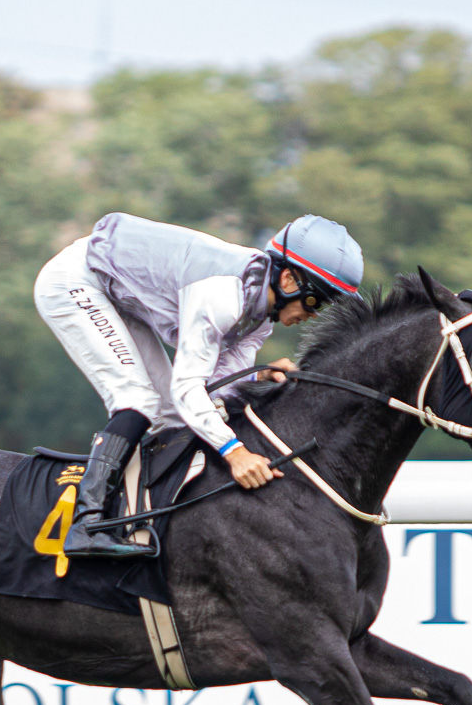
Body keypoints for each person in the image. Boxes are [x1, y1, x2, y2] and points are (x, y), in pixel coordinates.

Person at [33, 212, 364, 559]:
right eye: (316, 300)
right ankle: (87, 525)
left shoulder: (259, 319)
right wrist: (235, 453)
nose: (315, 314)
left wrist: (259, 376)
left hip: (116, 292)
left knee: (172, 417)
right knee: (138, 401)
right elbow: (188, 388)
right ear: (289, 280)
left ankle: (140, 520)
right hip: (78, 280)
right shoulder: (223, 295)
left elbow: (218, 390)